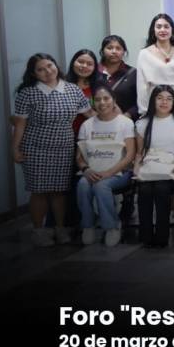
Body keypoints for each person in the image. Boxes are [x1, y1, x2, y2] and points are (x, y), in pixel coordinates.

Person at [12, 54, 91, 246]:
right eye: (41, 69)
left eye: (50, 66)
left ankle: (60, 229)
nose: (47, 71)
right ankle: (39, 232)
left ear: (56, 65)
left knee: (59, 191)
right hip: (36, 148)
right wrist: (14, 149)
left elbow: (90, 115)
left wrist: (118, 120)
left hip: (64, 147)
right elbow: (20, 125)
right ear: (33, 74)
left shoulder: (73, 90)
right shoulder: (27, 93)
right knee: (39, 191)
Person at [75, 85, 135, 247]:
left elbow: (130, 155)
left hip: (120, 173)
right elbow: (79, 157)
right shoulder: (87, 125)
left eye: (106, 98)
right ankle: (88, 225)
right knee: (82, 185)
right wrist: (86, 170)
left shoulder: (126, 123)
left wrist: (109, 172)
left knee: (101, 186)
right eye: (98, 99)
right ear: (93, 102)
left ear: (114, 101)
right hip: (93, 170)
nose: (102, 103)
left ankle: (112, 226)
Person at [134, 85, 174, 248]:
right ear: (153, 101)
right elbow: (140, 152)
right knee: (144, 189)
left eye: (169, 99)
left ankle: (162, 235)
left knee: (162, 188)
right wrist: (137, 169)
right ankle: (146, 235)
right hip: (149, 166)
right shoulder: (143, 123)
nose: (164, 102)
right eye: (160, 98)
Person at [136, 13, 174, 114]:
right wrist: (144, 110)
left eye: (166, 26)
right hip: (154, 99)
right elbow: (141, 85)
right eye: (158, 27)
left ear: (172, 30)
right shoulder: (144, 53)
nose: (162, 30)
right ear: (153, 30)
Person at [99, 35, 138, 120]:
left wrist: (127, 115)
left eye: (118, 48)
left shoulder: (133, 73)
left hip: (125, 122)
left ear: (124, 52)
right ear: (102, 51)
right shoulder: (94, 72)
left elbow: (140, 100)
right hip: (97, 122)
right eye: (109, 48)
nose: (114, 51)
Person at [66, 48, 102, 135]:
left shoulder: (99, 86)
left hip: (92, 133)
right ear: (73, 62)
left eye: (89, 64)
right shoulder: (62, 84)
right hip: (65, 135)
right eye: (80, 62)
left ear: (94, 67)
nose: (84, 66)